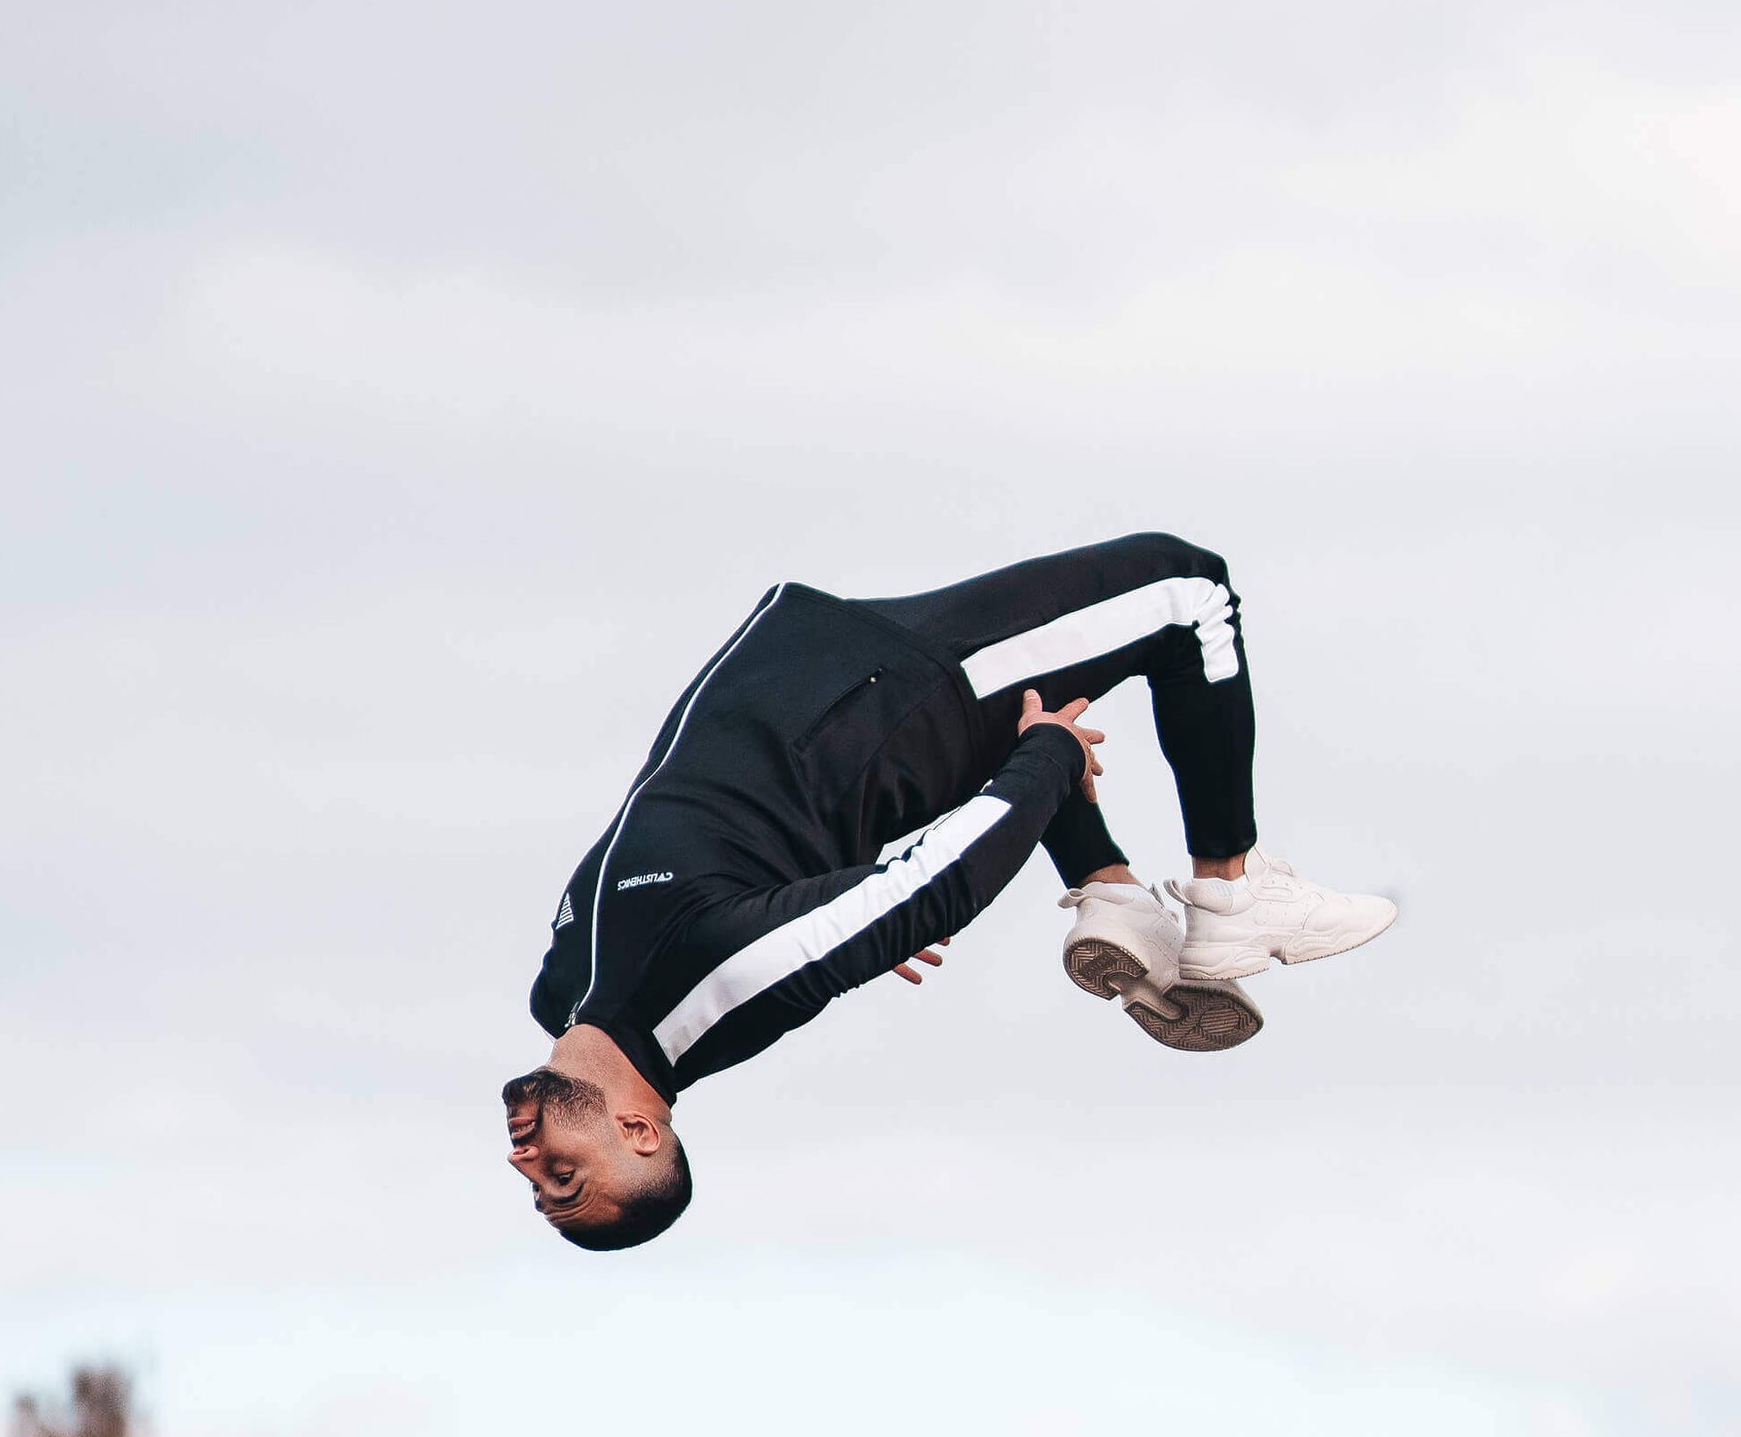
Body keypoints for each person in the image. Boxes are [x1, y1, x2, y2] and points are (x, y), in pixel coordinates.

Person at [504, 530, 1395, 1250]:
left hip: (838, 677)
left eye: (540, 1186)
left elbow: (778, 882)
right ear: (639, 1133)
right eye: (565, 1178)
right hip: (892, 701)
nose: (529, 1163)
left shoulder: (564, 993)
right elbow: (932, 890)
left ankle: (1110, 891)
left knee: (1052, 690)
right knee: (1189, 594)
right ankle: (1231, 895)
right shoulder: (716, 986)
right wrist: (1046, 755)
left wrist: (843, 907)